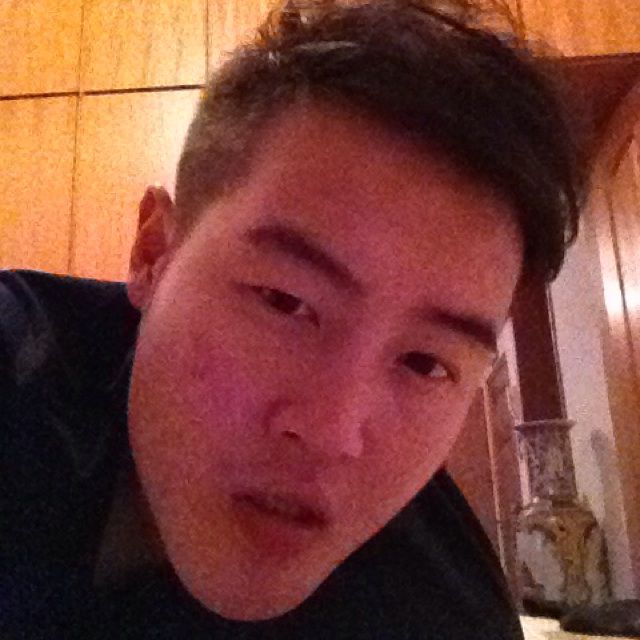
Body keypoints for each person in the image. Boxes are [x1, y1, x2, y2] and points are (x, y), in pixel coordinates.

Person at [1, 0, 582, 637]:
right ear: (154, 254)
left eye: (424, 362)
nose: (334, 432)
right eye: (285, 302)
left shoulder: (437, 615)